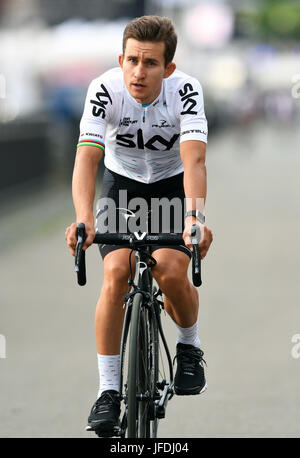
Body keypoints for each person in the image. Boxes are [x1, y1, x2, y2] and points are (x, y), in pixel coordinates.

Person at [65, 15, 213, 436]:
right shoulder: (104, 88)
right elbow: (87, 159)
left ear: (168, 68)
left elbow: (194, 161)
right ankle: (109, 391)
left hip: (169, 185)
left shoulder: (186, 90)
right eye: (132, 60)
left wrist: (193, 219)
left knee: (169, 270)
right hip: (121, 185)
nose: (138, 72)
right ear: (121, 59)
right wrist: (83, 218)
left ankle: (189, 346)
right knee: (115, 273)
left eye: (150, 64)